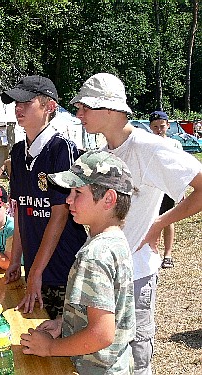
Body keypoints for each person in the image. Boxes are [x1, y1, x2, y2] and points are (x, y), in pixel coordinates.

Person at [70, 73, 202, 375]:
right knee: (107, 356)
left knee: (136, 357)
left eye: (85, 107)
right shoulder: (101, 154)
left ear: (109, 109)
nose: (78, 114)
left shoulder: (149, 148)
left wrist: (158, 223)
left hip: (136, 274)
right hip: (104, 276)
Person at [21, 150, 136, 375]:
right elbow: (106, 312)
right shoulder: (113, 242)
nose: (68, 199)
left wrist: (51, 347)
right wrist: (67, 323)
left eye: (77, 192)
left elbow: (101, 334)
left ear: (109, 199)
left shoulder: (95, 254)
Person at [0, 75, 88, 319]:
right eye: (16, 104)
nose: (18, 108)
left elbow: (59, 215)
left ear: (49, 107)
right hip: (36, 269)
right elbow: (21, 210)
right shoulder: (18, 152)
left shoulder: (62, 149)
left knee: (64, 341)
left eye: (26, 103)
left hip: (63, 269)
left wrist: (36, 272)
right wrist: (16, 260)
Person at [148, 110, 183, 269]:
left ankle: (168, 254)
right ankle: (152, 251)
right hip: (151, 187)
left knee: (168, 219)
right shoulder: (147, 144)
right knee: (151, 219)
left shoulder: (174, 144)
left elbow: (180, 168)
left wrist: (180, 189)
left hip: (168, 187)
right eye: (155, 127)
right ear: (150, 127)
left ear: (168, 126)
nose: (158, 130)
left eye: (161, 126)